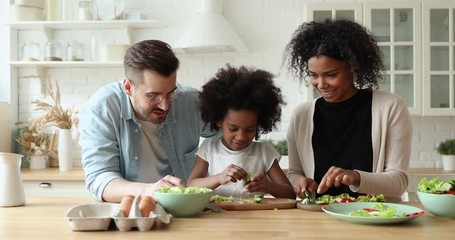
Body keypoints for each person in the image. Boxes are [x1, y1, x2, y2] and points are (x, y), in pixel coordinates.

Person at [283, 19, 412, 202]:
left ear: (352, 67)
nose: (321, 85)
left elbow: (398, 182)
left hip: (373, 217)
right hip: (317, 219)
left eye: (331, 75)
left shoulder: (390, 107)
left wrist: (355, 177)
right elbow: (294, 172)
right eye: (313, 75)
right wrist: (300, 182)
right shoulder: (301, 115)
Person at [78, 40, 218, 202]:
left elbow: (230, 134)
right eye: (153, 96)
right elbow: (99, 179)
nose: (165, 105)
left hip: (185, 208)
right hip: (131, 211)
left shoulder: (190, 102)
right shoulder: (101, 110)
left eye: (171, 93)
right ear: (128, 87)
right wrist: (148, 190)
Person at [187, 65, 295, 199]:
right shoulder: (209, 148)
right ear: (219, 120)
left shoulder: (264, 151)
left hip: (254, 217)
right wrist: (219, 178)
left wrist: (269, 186)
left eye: (250, 130)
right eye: (233, 129)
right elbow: (191, 185)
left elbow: (290, 193)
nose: (241, 137)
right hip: (215, 216)